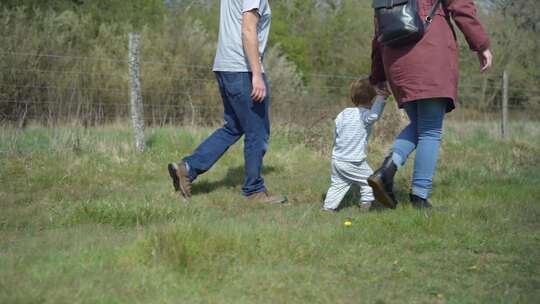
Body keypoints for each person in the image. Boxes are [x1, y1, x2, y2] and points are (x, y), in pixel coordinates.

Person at [368, 0, 493, 209]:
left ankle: (385, 172)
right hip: (429, 51)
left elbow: (379, 27)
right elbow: (461, 7)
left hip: (395, 59)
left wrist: (378, 74)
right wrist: (481, 44)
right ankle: (419, 197)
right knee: (430, 131)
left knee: (419, 126)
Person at [168, 0, 286, 204]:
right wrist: (256, 74)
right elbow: (248, 29)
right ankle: (254, 190)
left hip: (225, 67)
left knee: (233, 127)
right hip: (242, 69)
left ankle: (187, 169)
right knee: (257, 132)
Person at [322, 78, 388, 212]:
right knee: (370, 182)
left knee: (338, 185)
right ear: (372, 100)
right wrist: (382, 98)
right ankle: (366, 206)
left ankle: (328, 208)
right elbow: (374, 116)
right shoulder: (364, 116)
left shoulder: (343, 113)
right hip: (353, 161)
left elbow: (336, 134)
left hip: (337, 160)